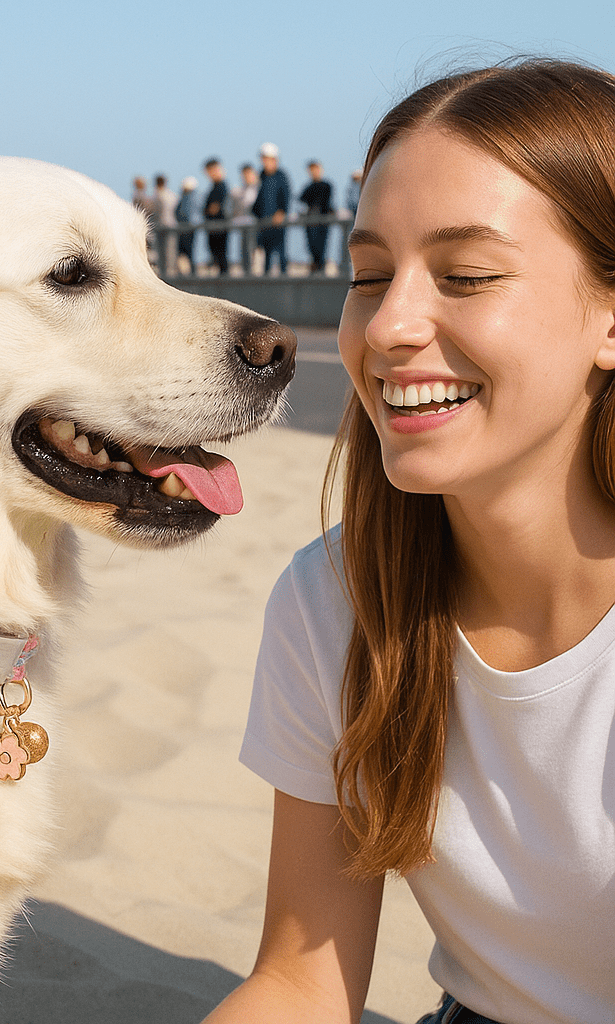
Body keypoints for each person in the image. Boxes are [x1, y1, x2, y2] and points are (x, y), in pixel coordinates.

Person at [204, 58, 615, 1024]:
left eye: (467, 276)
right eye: (370, 275)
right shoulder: (337, 599)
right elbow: (300, 980)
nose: (389, 326)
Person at [252, 142, 291, 275]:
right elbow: (257, 199)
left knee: (281, 253)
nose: (264, 162)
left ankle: (284, 277)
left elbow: (286, 197)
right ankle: (266, 278)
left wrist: (281, 212)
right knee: (266, 255)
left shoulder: (282, 177)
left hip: (278, 224)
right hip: (263, 223)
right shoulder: (261, 177)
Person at [298, 159, 334, 274]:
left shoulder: (326, 185)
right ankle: (315, 267)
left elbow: (326, 202)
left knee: (321, 246)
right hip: (311, 221)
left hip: (322, 221)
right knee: (312, 246)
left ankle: (321, 268)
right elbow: (301, 198)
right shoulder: (309, 187)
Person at [230, 163, 260, 273]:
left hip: (257, 227)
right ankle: (247, 272)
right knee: (245, 250)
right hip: (244, 226)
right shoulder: (240, 191)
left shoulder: (260, 189)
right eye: (244, 175)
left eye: (248, 174)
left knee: (255, 252)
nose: (246, 177)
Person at [203, 158, 230, 275]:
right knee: (216, 256)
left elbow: (214, 209)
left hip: (219, 227)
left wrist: (209, 210)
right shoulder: (215, 187)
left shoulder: (221, 186)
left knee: (220, 255)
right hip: (213, 227)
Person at [153, 173, 179, 274]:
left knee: (162, 251)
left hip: (162, 225)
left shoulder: (158, 195)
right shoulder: (171, 194)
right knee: (171, 249)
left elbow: (156, 211)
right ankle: (171, 270)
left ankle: (165, 271)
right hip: (172, 224)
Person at [175, 176, 198, 275]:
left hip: (186, 229)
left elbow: (181, 213)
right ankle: (189, 272)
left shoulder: (187, 198)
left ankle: (190, 272)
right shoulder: (194, 197)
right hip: (187, 228)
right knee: (187, 252)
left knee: (186, 252)